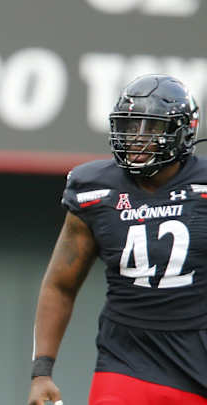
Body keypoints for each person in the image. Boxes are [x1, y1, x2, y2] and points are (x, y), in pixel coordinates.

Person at [28, 74, 207, 405]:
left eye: (151, 128)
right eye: (130, 126)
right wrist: (42, 371)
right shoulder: (95, 189)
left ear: (183, 131)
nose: (137, 138)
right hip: (126, 358)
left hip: (199, 357)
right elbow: (60, 285)